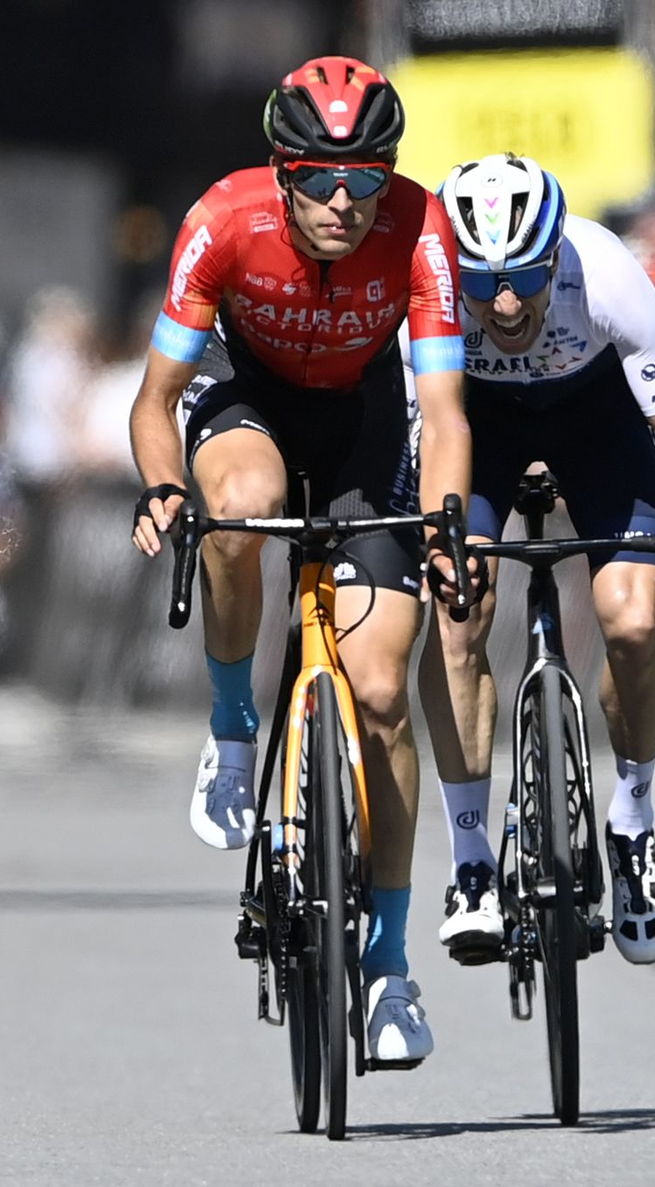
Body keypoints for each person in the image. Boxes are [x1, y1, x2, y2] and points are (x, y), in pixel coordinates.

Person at [128, 57, 471, 1064]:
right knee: (242, 508)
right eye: (319, 177)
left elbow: (444, 411)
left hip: (366, 423)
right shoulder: (222, 220)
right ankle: (235, 727)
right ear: (281, 172)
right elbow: (155, 401)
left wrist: (445, 522)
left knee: (380, 694)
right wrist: (161, 487)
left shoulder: (422, 228)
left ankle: (390, 966)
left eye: (366, 178)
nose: (341, 200)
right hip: (251, 400)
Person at [413, 153, 655, 967]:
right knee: (458, 607)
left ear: (556, 257)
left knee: (633, 613)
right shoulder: (429, 284)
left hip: (597, 428)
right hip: (478, 430)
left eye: (522, 280)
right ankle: (472, 860)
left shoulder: (609, 273)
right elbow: (425, 430)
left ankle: (634, 819)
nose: (504, 303)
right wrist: (440, 549)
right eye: (482, 284)